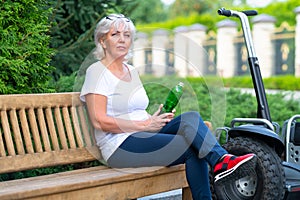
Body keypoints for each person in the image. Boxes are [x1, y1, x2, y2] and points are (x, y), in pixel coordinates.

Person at [80, 14, 257, 200]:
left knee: (190, 117)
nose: (122, 39)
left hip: (143, 134)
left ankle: (222, 160)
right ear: (102, 40)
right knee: (190, 148)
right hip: (119, 146)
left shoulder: (130, 70)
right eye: (115, 34)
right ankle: (220, 166)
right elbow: (99, 120)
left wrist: (152, 119)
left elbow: (131, 110)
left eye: (127, 35)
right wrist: (143, 125)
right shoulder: (97, 72)